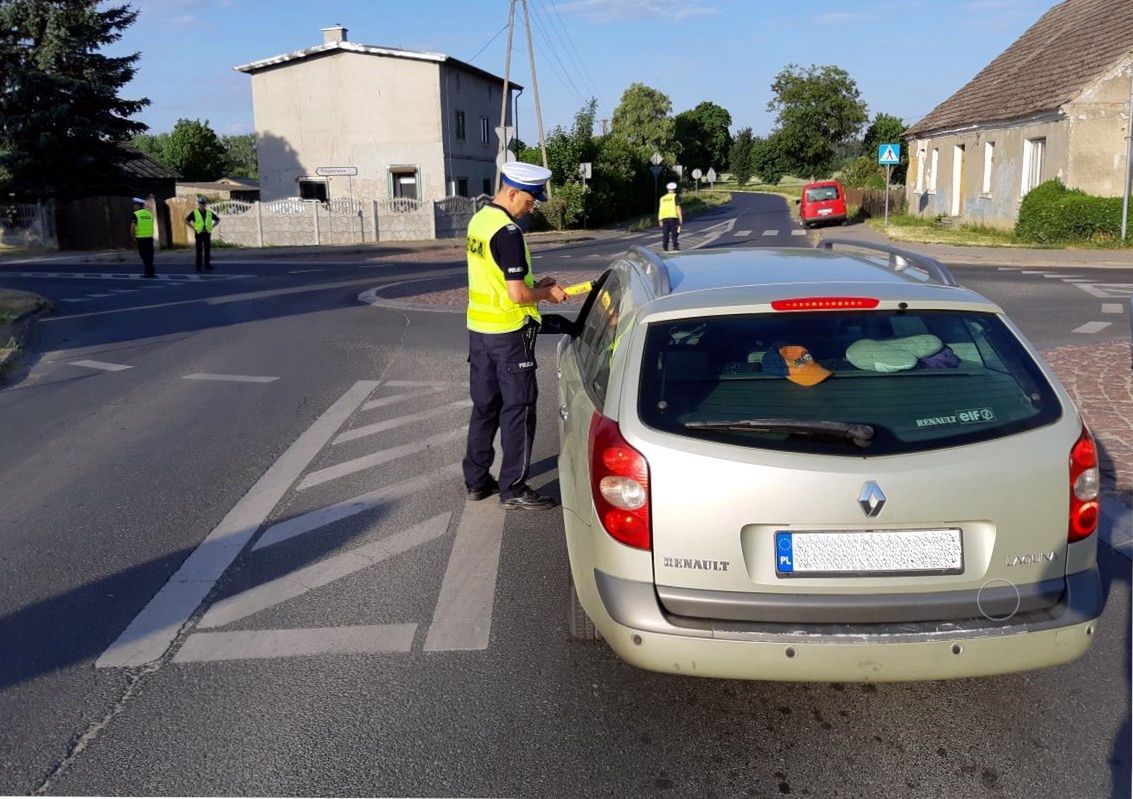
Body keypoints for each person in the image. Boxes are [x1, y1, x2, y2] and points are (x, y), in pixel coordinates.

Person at [463, 161, 567, 511]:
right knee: (519, 411)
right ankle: (514, 488)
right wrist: (546, 295)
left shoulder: (479, 221)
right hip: (509, 336)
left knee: (485, 408)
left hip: (480, 333)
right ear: (512, 191)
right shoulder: (508, 233)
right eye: (531, 197)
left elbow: (496, 280)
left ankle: (477, 481)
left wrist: (533, 285)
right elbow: (517, 296)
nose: (533, 204)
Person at [185, 197, 220, 272]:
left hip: (207, 233)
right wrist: (193, 228)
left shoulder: (209, 213)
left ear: (205, 205)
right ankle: (198, 266)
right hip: (199, 233)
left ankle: (207, 265)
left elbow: (217, 219)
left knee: (207, 250)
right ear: (199, 204)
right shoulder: (195, 212)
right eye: (201, 204)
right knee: (199, 250)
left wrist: (212, 226)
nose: (202, 205)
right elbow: (186, 220)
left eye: (204, 204)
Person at [130, 197, 156, 278]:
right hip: (149, 237)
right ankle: (151, 272)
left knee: (144, 256)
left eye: (134, 205)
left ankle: (148, 273)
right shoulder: (149, 213)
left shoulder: (136, 214)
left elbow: (132, 227)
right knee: (150, 256)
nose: (134, 206)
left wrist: (133, 237)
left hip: (141, 238)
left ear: (138, 205)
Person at [658, 181, 683, 251]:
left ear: (668, 189)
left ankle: (665, 247)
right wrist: (680, 218)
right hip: (673, 217)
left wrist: (660, 219)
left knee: (665, 233)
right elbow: (678, 207)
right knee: (674, 233)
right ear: (674, 189)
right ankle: (675, 246)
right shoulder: (676, 196)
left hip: (664, 218)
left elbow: (660, 209)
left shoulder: (662, 198)